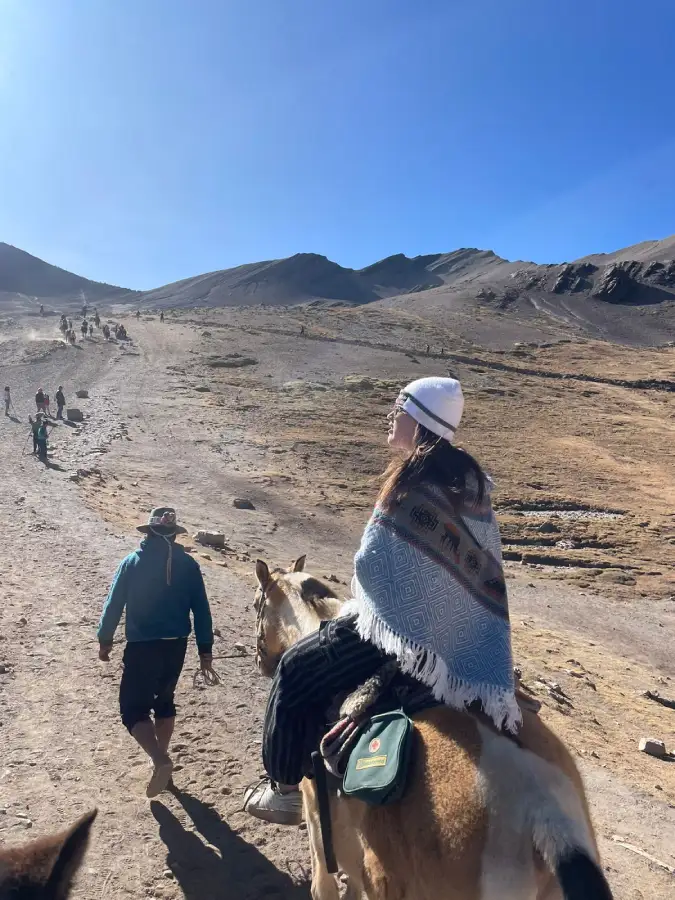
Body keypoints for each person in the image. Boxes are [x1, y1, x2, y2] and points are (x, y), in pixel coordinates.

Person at [244, 376, 519, 825]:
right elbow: (482, 573)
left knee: (294, 669)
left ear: (421, 421)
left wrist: (374, 604)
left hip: (393, 630)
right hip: (459, 635)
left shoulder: (410, 485)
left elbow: (372, 566)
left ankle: (284, 788)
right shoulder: (471, 485)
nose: (391, 418)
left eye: (399, 410)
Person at [97, 507, 216, 797]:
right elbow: (201, 609)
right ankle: (161, 760)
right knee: (164, 702)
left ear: (149, 532)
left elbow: (114, 603)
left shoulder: (132, 562)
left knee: (132, 709)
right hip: (176, 646)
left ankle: (159, 759)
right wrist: (205, 650)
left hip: (141, 646)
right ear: (174, 535)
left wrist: (105, 638)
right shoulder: (188, 565)